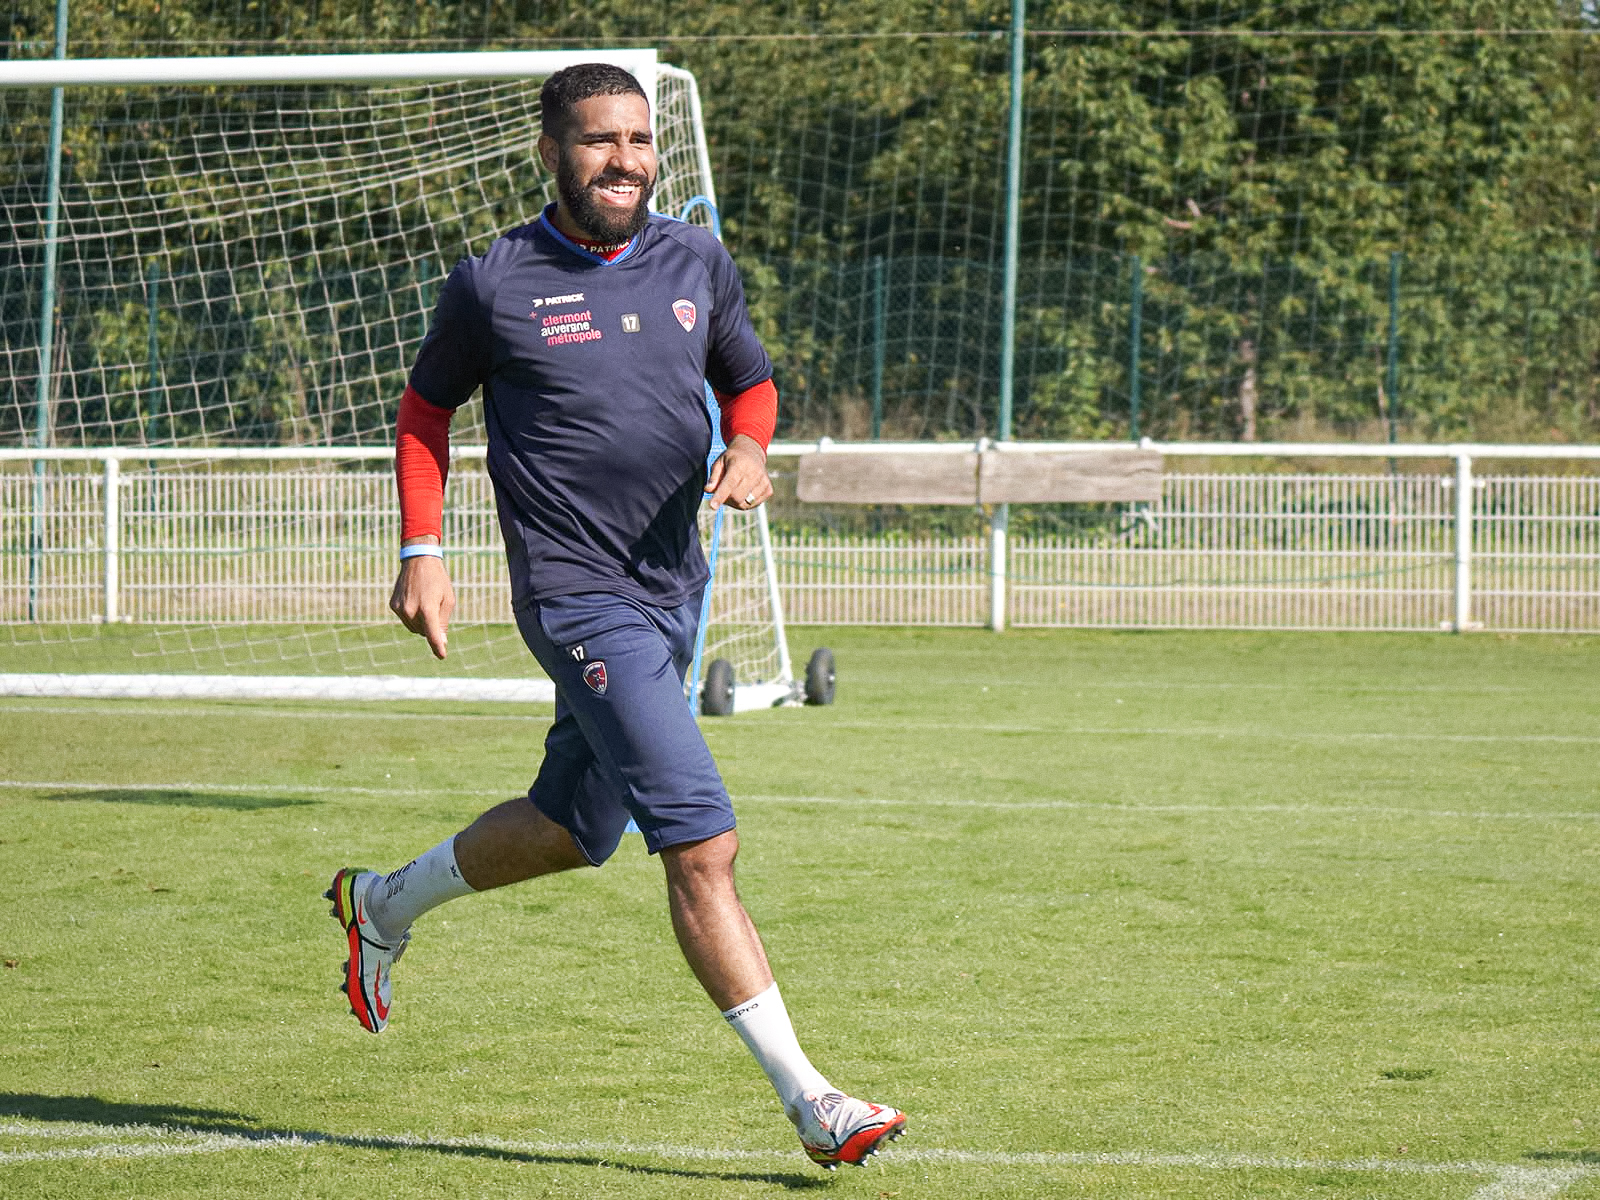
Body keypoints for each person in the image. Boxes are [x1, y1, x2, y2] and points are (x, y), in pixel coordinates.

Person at [324, 62, 905, 1171]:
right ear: (552, 152)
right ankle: (814, 1103)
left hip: (673, 587)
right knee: (701, 839)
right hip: (576, 595)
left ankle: (383, 905)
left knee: (574, 830)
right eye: (599, 141)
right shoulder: (494, 281)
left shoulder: (696, 259)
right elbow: (423, 412)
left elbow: (749, 381)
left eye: (638, 140)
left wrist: (749, 447)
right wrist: (421, 551)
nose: (625, 160)